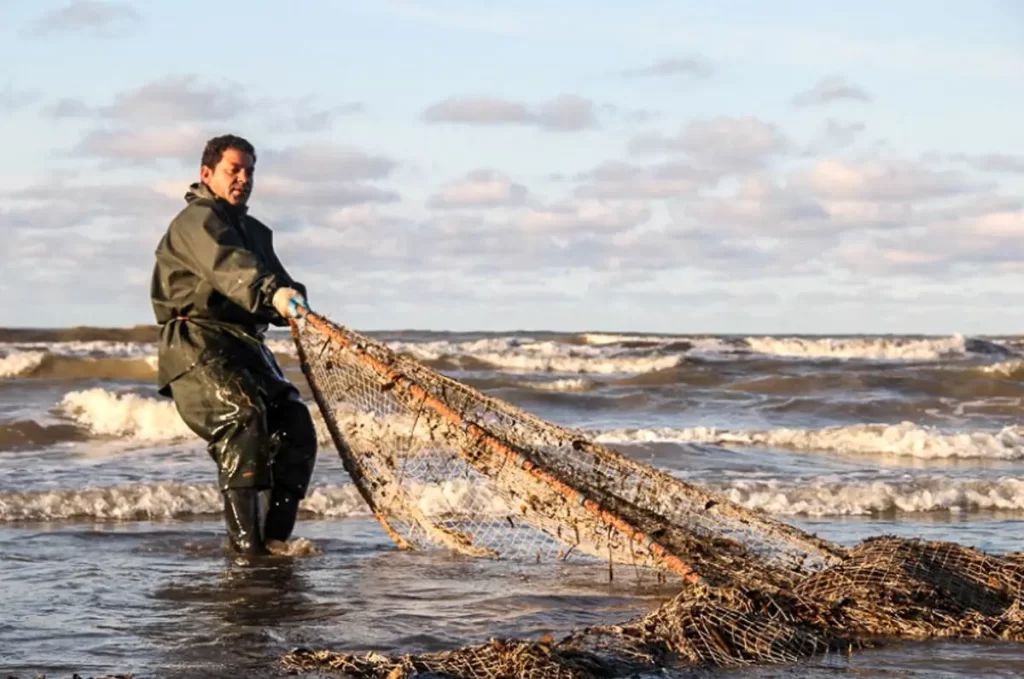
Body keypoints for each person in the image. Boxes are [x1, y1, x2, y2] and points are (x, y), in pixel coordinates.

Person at [150, 133, 317, 557]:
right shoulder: (197, 222)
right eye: (233, 170)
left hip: (245, 346)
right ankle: (247, 549)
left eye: (249, 172)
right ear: (207, 174)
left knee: (296, 427)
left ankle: (274, 541)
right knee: (242, 417)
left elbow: (273, 282)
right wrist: (269, 292)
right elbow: (231, 269)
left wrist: (291, 298)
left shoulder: (255, 231)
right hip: (196, 343)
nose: (242, 179)